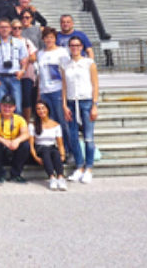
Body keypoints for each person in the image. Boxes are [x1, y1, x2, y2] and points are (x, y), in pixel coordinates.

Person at [62, 36, 99, 184]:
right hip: (71, 102)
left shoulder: (89, 63)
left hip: (86, 101)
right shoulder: (65, 64)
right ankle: (79, 166)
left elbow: (95, 84)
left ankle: (89, 167)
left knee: (88, 137)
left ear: (82, 47)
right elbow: (64, 86)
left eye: (77, 45)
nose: (75, 48)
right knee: (73, 137)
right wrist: (64, 105)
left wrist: (94, 105)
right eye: (72, 45)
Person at [36, 27, 72, 155]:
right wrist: (39, 94)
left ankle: (68, 150)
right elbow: (39, 75)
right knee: (49, 121)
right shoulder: (40, 53)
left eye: (51, 37)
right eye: (46, 37)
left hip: (57, 90)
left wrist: (64, 97)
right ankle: (54, 150)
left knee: (62, 121)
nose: (49, 40)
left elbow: (65, 74)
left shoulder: (61, 52)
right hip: (45, 91)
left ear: (55, 38)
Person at [0, 18, 28, 110]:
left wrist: (22, 71)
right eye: (1, 27)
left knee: (17, 108)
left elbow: (25, 58)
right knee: (1, 108)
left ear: (10, 29)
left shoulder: (18, 43)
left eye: (6, 27)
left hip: (14, 77)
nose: (4, 29)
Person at [0, 95, 30, 184]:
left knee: (25, 145)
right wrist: (3, 140)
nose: (7, 109)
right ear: (0, 106)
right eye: (4, 106)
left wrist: (17, 140)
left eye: (10, 106)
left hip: (13, 146)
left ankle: (16, 174)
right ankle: (0, 173)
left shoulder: (19, 119)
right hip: (1, 147)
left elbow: (26, 133)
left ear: (14, 107)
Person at [29, 100, 67, 191]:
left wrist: (63, 155)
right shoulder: (32, 125)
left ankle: (60, 177)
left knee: (55, 153)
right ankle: (52, 177)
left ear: (47, 109)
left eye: (43, 108)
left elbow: (60, 144)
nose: (41, 111)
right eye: (38, 109)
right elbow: (31, 144)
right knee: (46, 151)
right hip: (40, 149)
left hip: (51, 148)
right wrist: (35, 157)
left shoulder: (56, 125)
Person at [11, 18, 38, 121]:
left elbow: (33, 57)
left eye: (19, 28)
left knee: (26, 99)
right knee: (14, 100)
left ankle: (25, 123)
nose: (17, 30)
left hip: (27, 74)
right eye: (14, 28)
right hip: (12, 74)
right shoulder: (7, 41)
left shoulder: (27, 41)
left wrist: (23, 59)